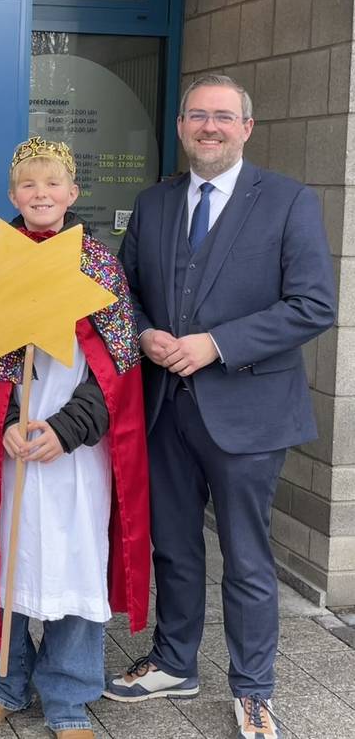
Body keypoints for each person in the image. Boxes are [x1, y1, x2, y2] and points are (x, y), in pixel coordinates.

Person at [106, 74, 336, 739]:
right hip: (165, 410)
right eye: (198, 116)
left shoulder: (289, 201)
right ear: (181, 127)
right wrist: (145, 332)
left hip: (249, 410)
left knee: (247, 554)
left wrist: (215, 344)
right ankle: (176, 662)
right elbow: (128, 289)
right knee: (173, 547)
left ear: (246, 128)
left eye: (224, 117)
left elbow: (312, 305)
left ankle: (254, 687)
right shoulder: (153, 203)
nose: (211, 127)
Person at [0, 136, 150, 739]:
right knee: (4, 559)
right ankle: (5, 680)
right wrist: (7, 419)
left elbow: (116, 366)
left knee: (72, 564)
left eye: (52, 184)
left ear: (72, 192)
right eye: (28, 185)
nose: (41, 194)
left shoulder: (98, 262)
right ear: (13, 194)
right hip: (10, 445)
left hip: (74, 451)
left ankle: (68, 695)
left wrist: (67, 430)